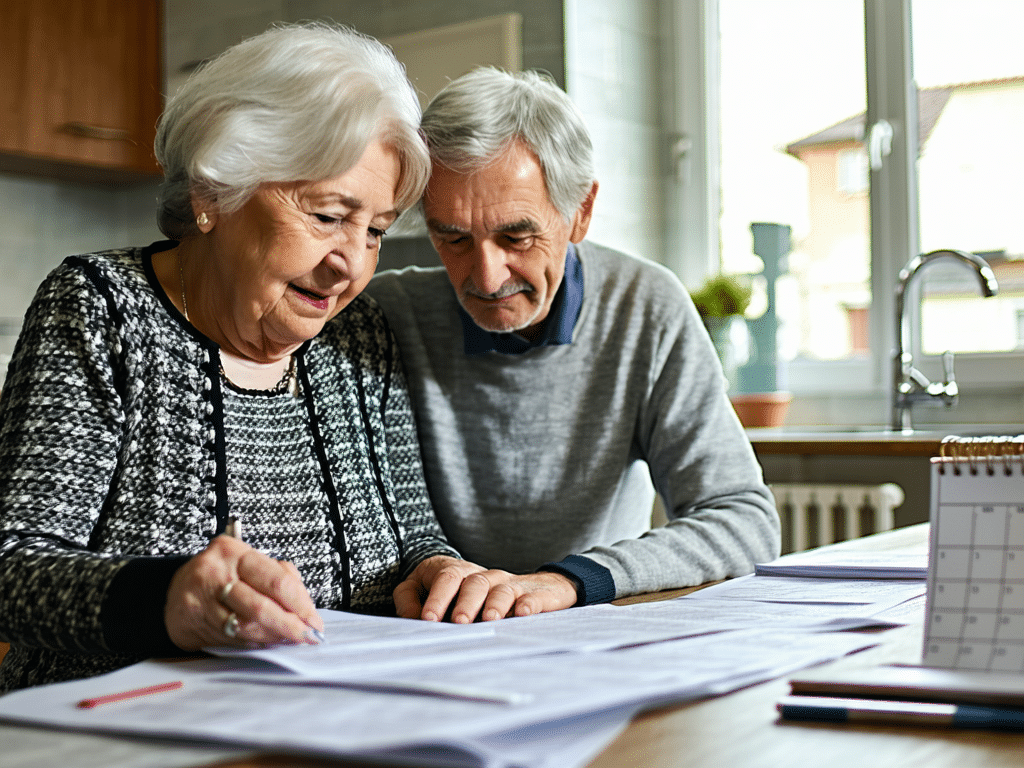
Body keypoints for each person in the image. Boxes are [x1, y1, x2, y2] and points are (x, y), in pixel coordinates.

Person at [0, 22, 488, 692]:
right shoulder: (100, 307)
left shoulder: (359, 332)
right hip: (121, 730)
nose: (349, 264)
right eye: (326, 216)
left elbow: (413, 537)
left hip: (341, 718)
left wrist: (442, 569)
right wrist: (168, 599)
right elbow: (15, 568)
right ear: (213, 193)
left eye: (374, 231)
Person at [367, 68, 781, 618]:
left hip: (590, 625)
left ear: (580, 212)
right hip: (444, 629)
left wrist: (567, 582)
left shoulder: (646, 306)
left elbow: (744, 521)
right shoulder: (384, 316)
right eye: (454, 238)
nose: (487, 278)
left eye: (517, 236)